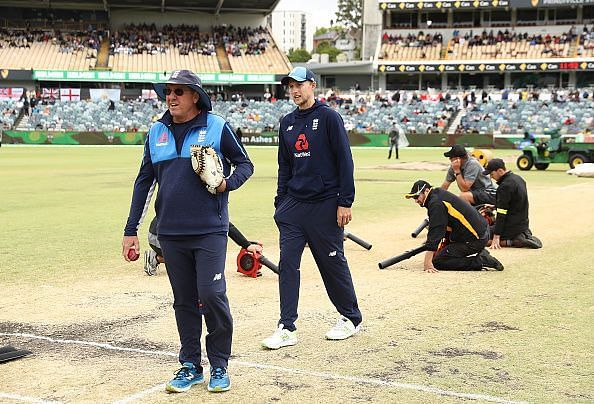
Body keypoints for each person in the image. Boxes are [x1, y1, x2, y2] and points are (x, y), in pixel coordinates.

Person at [122, 69, 253, 393]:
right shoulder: (156, 131)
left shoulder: (216, 126)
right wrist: (130, 230)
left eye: (179, 91)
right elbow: (144, 182)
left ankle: (219, 364)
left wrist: (225, 184)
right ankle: (190, 365)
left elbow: (245, 164)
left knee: (211, 295)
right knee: (184, 301)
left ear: (195, 96)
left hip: (209, 229)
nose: (171, 97)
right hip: (170, 232)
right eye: (168, 91)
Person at [261, 66, 362, 350]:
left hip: (325, 204)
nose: (294, 90)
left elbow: (345, 160)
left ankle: (351, 318)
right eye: (290, 86)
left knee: (331, 263)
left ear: (312, 86)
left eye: (299, 85)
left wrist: (345, 201)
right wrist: (280, 202)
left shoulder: (329, 117)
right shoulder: (287, 122)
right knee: (288, 265)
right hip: (294, 207)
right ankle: (286, 327)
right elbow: (285, 165)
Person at [405, 180, 504, 272]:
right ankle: (481, 253)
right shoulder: (438, 194)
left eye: (417, 197)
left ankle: (480, 261)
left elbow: (437, 230)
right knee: (440, 252)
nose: (416, 201)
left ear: (426, 191)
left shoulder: (436, 203)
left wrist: (427, 262)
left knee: (439, 261)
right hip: (481, 232)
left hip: (475, 239)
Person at [144, 217, 265, 276]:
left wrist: (246, 244)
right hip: (159, 237)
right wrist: (247, 245)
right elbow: (226, 224)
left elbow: (223, 224)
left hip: (174, 235)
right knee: (198, 258)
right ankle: (155, 258)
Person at [482, 159, 542, 249]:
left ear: (500, 171)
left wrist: (496, 236)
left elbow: (501, 214)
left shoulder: (504, 186)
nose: (491, 177)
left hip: (510, 226)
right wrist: (495, 206)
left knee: (479, 235)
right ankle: (521, 235)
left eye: (492, 174)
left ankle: (512, 241)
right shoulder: (519, 179)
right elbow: (515, 203)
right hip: (523, 225)